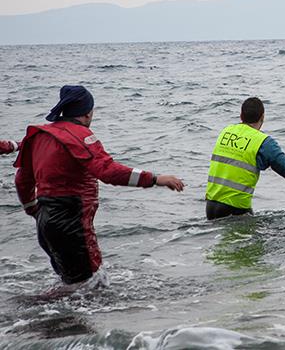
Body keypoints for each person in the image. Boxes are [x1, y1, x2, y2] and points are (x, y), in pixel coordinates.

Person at [13, 85, 185, 285]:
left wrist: (33, 209)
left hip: (45, 222)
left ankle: (46, 315)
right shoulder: (81, 136)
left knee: (71, 283)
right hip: (71, 221)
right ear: (87, 113)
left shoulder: (38, 136)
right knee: (91, 286)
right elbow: (107, 171)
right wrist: (155, 179)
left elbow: (22, 179)